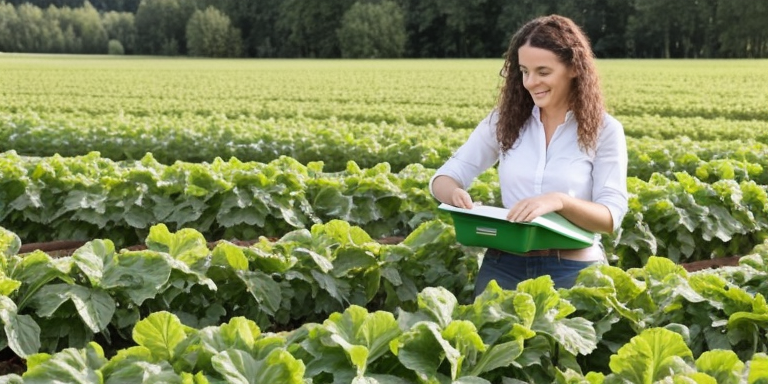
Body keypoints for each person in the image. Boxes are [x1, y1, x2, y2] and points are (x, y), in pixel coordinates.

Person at [430, 15, 628, 296]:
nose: (530, 82)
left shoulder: (605, 130)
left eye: (543, 72)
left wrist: (558, 201)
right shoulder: (504, 121)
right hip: (503, 267)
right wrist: (453, 194)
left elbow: (610, 217)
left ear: (573, 68)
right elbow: (445, 176)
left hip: (574, 270)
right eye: (524, 71)